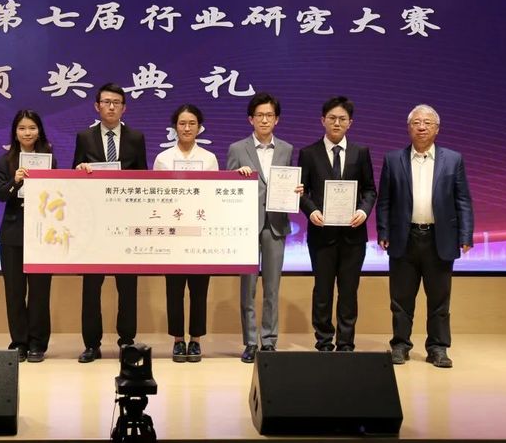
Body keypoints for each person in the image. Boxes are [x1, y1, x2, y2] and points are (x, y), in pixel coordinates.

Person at [377, 104, 473, 368]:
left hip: (439, 239)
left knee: (440, 300)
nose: (421, 127)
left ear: (437, 129)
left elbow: (463, 200)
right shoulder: (393, 159)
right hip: (404, 238)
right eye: (416, 122)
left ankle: (438, 348)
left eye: (427, 123)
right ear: (408, 128)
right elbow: (384, 200)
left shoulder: (453, 159)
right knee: (401, 299)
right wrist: (383, 231)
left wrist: (465, 234)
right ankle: (400, 345)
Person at [72, 82, 148, 363]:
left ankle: (127, 341)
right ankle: (91, 344)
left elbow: (143, 178)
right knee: (91, 287)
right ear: (97, 106)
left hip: (125, 224)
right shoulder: (85, 137)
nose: (111, 107)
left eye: (116, 102)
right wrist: (79, 170)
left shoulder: (136, 137)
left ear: (124, 107)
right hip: (93, 225)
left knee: (127, 287)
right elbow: (74, 178)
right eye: (106, 102)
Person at [226, 93, 301, 363]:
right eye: (260, 115)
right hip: (247, 225)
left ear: (277, 119)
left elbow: (288, 183)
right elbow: (227, 188)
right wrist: (237, 176)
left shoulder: (287, 149)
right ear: (251, 119)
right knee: (248, 288)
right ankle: (250, 342)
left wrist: (296, 190)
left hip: (276, 224)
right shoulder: (237, 149)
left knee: (272, 287)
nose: (265, 120)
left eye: (269, 115)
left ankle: (269, 340)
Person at [298, 96, 376, 352]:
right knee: (322, 290)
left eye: (342, 119)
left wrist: (364, 211)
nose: (337, 123)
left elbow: (369, 190)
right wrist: (311, 211)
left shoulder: (360, 152)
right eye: (332, 118)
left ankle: (345, 342)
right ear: (323, 120)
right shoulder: (308, 153)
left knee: (349, 291)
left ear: (350, 123)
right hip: (321, 234)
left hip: (354, 235)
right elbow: (302, 191)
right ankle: (323, 340)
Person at [153, 104, 218, 362]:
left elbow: (213, 197)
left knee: (199, 290)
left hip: (201, 232)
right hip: (172, 233)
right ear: (175, 127)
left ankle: (196, 339)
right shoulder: (163, 158)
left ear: (199, 127)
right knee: (174, 290)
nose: (187, 128)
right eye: (182, 123)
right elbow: (156, 196)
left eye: (192, 123)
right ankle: (178, 340)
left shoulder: (209, 158)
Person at [0, 110, 56, 363]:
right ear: (15, 132)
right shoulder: (4, 161)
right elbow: (0, 194)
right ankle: (19, 342)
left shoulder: (49, 159)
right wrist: (16, 180)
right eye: (22, 128)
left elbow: (57, 193)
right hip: (12, 233)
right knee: (15, 292)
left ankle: (37, 344)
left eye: (32, 128)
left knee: (40, 293)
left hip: (42, 233)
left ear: (39, 131)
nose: (27, 133)